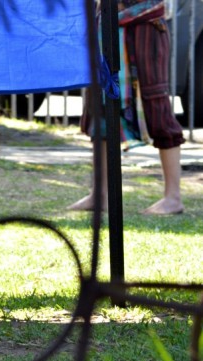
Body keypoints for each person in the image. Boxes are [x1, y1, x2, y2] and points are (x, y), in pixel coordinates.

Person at [68, 0, 185, 215]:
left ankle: (173, 198)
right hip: (107, 25)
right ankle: (100, 194)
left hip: (145, 26)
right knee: (100, 108)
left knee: (155, 106)